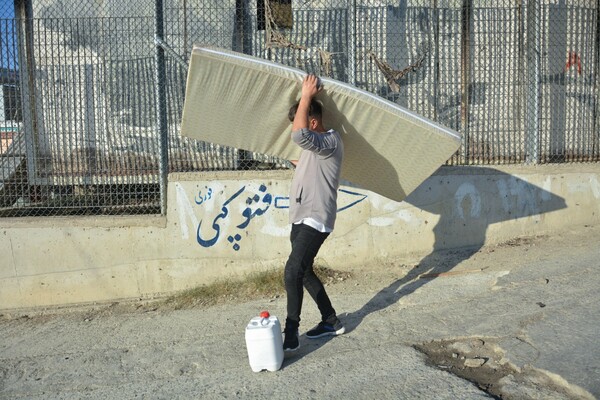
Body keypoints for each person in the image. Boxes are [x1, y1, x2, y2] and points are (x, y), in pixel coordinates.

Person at [282, 74, 345, 352]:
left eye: (303, 118)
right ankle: (330, 320)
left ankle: (291, 331)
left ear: (314, 122)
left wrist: (306, 95)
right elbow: (301, 152)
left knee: (293, 270)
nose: (294, 131)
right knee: (304, 271)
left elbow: (299, 134)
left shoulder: (329, 141)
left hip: (315, 218)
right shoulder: (312, 149)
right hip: (300, 215)